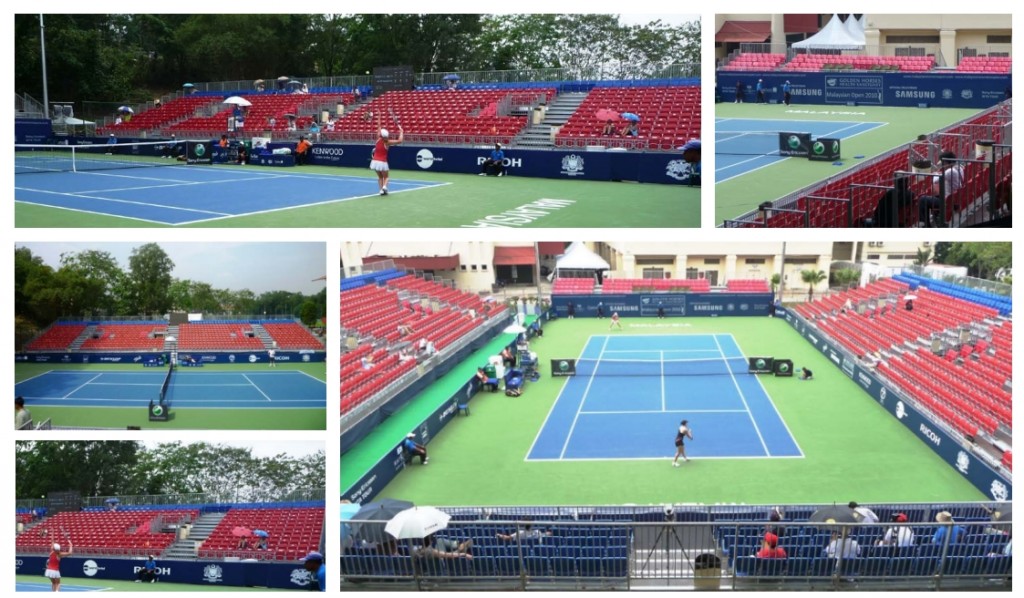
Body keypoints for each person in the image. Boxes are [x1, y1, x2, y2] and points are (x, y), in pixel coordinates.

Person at [917, 151, 965, 227]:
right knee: (933, 196)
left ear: (945, 162)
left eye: (942, 162)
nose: (941, 164)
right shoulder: (960, 168)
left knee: (923, 199)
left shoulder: (950, 171)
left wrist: (936, 172)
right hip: (953, 199)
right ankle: (933, 219)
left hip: (947, 201)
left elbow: (935, 180)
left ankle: (926, 225)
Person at [370, 124, 404, 196]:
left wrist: (379, 115)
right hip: (382, 162)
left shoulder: (378, 139)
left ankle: (381, 190)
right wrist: (401, 132)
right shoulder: (387, 142)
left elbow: (378, 126)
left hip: (375, 162)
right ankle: (384, 187)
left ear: (381, 135)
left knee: (380, 177)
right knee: (386, 177)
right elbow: (400, 141)